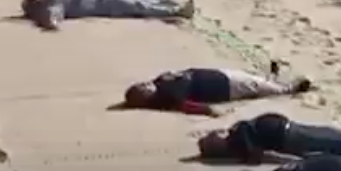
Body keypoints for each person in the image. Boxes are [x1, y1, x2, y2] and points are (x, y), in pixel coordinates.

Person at [195, 113, 341, 164]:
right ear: (215, 147)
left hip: (291, 127)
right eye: (210, 139)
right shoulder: (237, 145)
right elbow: (256, 155)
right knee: (333, 143)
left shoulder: (233, 135)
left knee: (333, 134)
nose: (213, 135)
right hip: (289, 138)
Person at [121, 65, 312, 116]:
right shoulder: (166, 96)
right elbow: (185, 105)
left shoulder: (159, 82)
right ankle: (288, 89)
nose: (144, 85)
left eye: (141, 85)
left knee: (253, 79)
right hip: (225, 87)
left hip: (218, 74)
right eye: (142, 90)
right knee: (256, 86)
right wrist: (208, 110)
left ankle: (271, 77)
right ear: (145, 100)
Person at [20, 0, 195, 30]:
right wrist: (47, 23)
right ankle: (176, 11)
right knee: (136, 5)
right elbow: (53, 20)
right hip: (99, 3)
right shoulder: (52, 6)